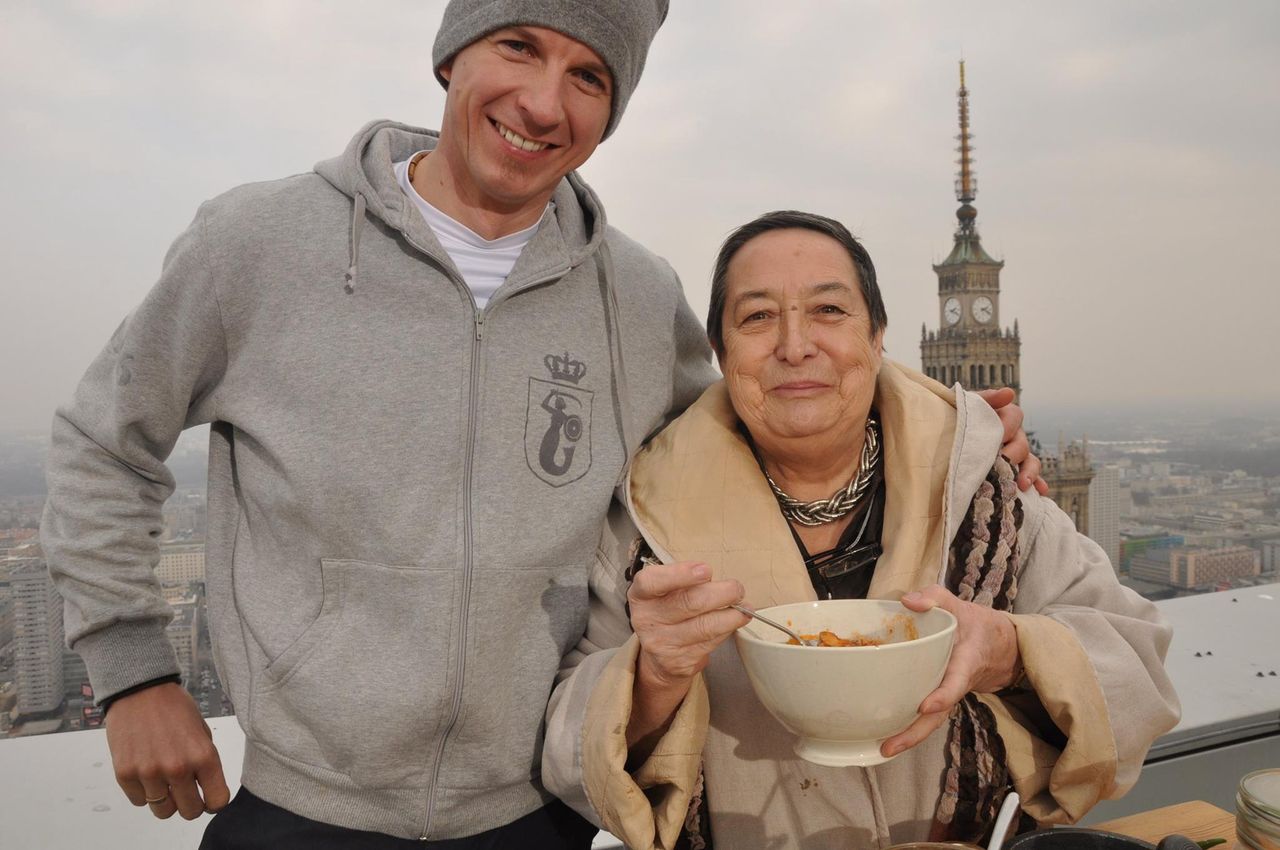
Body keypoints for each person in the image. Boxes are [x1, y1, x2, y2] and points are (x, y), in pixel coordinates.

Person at [41, 3, 1041, 846]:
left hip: (543, 814)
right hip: (301, 810)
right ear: (451, 53)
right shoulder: (260, 244)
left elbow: (757, 425)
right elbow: (104, 441)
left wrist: (959, 437)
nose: (542, 102)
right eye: (518, 45)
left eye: (589, 76)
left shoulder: (638, 298)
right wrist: (133, 675)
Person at [549, 211, 1179, 850]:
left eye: (828, 310)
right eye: (758, 317)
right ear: (720, 353)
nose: (796, 345)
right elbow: (566, 748)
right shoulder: (649, 522)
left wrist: (1012, 652)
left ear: (878, 336)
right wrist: (651, 679)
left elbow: (1140, 677)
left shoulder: (983, 493)